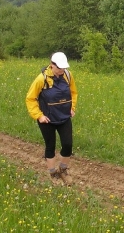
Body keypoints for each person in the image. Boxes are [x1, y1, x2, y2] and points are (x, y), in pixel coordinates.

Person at [25, 52, 78, 185]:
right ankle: (53, 173)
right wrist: (39, 116)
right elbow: (30, 99)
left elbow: (73, 92)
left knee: (68, 144)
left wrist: (72, 107)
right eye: (59, 68)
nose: (62, 70)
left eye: (63, 68)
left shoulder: (68, 75)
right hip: (47, 119)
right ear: (52, 65)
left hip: (64, 116)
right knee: (50, 146)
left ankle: (63, 169)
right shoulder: (41, 79)